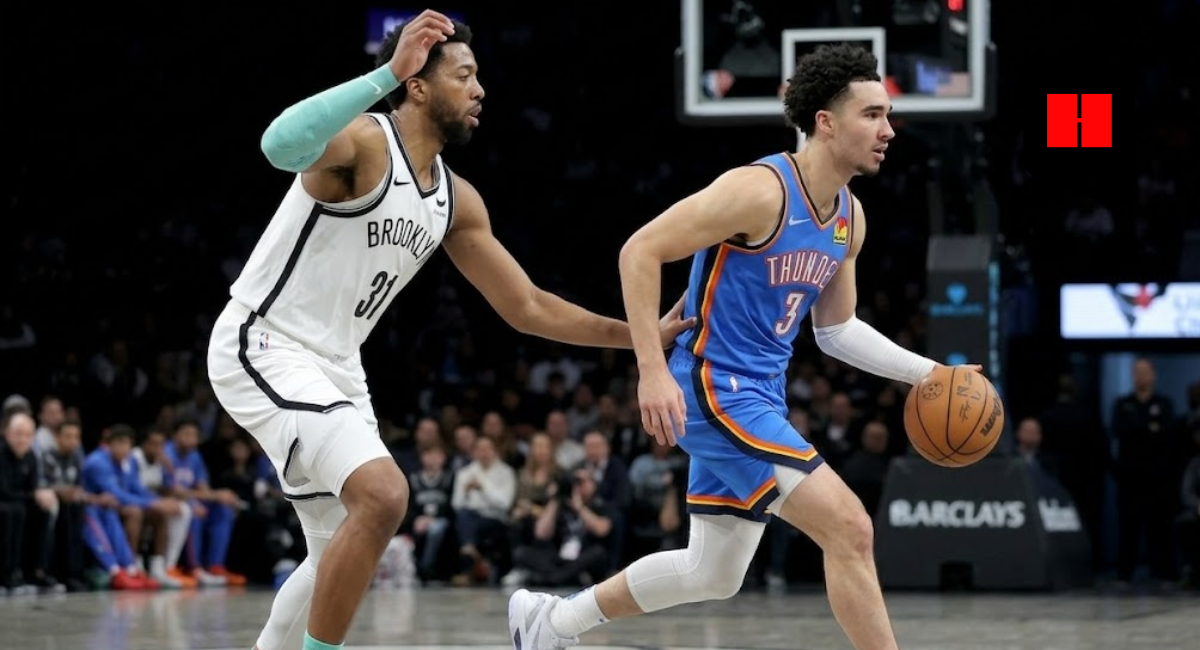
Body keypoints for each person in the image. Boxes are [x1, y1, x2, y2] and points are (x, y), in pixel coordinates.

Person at [205, 10, 691, 650]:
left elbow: (529, 306)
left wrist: (641, 336)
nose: (479, 90)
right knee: (384, 495)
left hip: (338, 366)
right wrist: (383, 74)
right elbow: (278, 146)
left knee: (334, 553)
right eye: (463, 75)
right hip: (266, 343)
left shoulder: (456, 200)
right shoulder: (364, 144)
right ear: (417, 85)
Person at [510, 43, 980, 650]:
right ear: (826, 122)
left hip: (759, 395)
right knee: (849, 528)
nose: (888, 130)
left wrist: (930, 373)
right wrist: (651, 370)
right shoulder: (759, 191)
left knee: (714, 572)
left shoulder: (849, 218)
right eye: (872, 114)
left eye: (887, 115)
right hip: (712, 387)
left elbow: (836, 331)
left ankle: (550, 623)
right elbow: (640, 251)